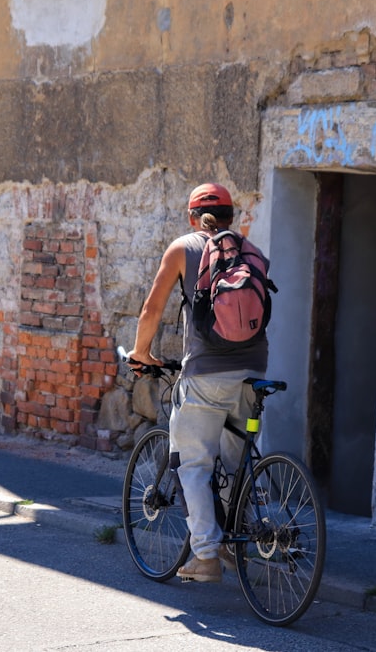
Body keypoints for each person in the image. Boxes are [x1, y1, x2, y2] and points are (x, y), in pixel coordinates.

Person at [127, 182, 268, 583]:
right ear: (231, 217)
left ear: (192, 217)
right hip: (255, 371)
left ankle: (205, 555)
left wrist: (141, 353)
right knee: (236, 460)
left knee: (193, 463)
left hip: (205, 373)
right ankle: (235, 538)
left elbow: (152, 309)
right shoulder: (252, 252)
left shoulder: (183, 248)